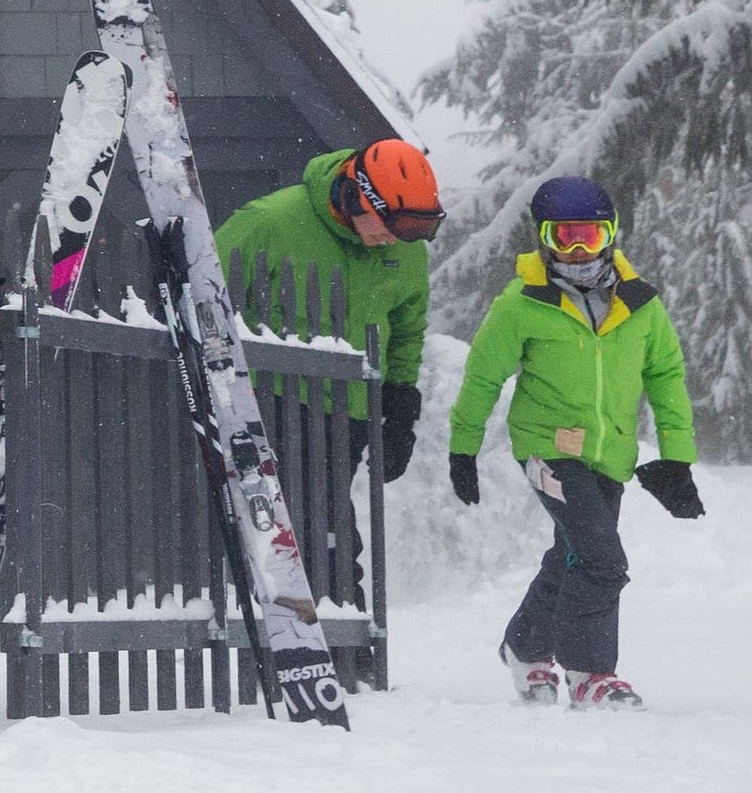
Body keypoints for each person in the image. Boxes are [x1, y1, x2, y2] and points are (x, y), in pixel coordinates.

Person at [448, 176, 703, 710]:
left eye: (591, 235)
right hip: (549, 450)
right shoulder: (521, 304)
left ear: (611, 234)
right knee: (603, 560)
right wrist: (463, 448)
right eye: (566, 237)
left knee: (574, 553)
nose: (580, 250)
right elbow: (482, 377)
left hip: (609, 455)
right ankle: (589, 674)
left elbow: (667, 375)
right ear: (544, 239)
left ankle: (524, 645)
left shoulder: (640, 304)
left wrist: (677, 457)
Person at [213, 139, 441, 598]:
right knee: (306, 531)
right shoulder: (270, 222)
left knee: (327, 530)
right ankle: (335, 640)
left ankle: (335, 637)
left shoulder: (405, 249)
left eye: (410, 230)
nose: (392, 239)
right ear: (358, 197)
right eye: (389, 225)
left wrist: (400, 410)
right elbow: (206, 291)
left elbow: (408, 329)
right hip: (271, 406)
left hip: (349, 415)